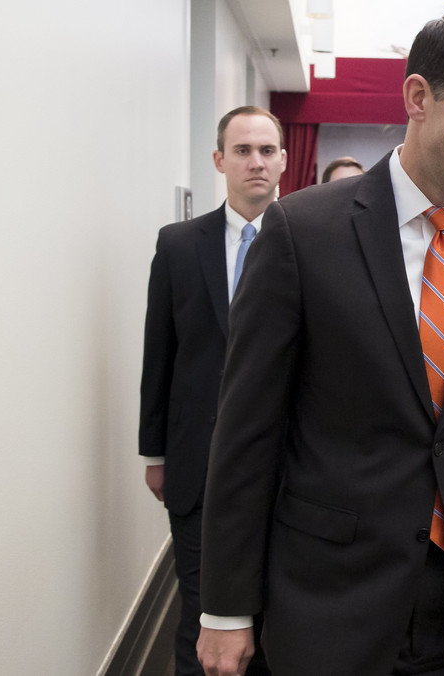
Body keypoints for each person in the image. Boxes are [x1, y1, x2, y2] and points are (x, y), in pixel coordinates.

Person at [196, 10, 444, 676]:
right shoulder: (303, 232)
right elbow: (248, 432)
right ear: (419, 97)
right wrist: (226, 609)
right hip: (334, 595)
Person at [139, 105, 285, 676]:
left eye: (267, 150)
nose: (256, 162)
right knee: (202, 615)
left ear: (283, 160)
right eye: (243, 150)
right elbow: (161, 354)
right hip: (198, 463)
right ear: (220, 160)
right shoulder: (179, 245)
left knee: (272, 614)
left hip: (283, 465)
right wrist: (155, 453)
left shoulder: (310, 240)